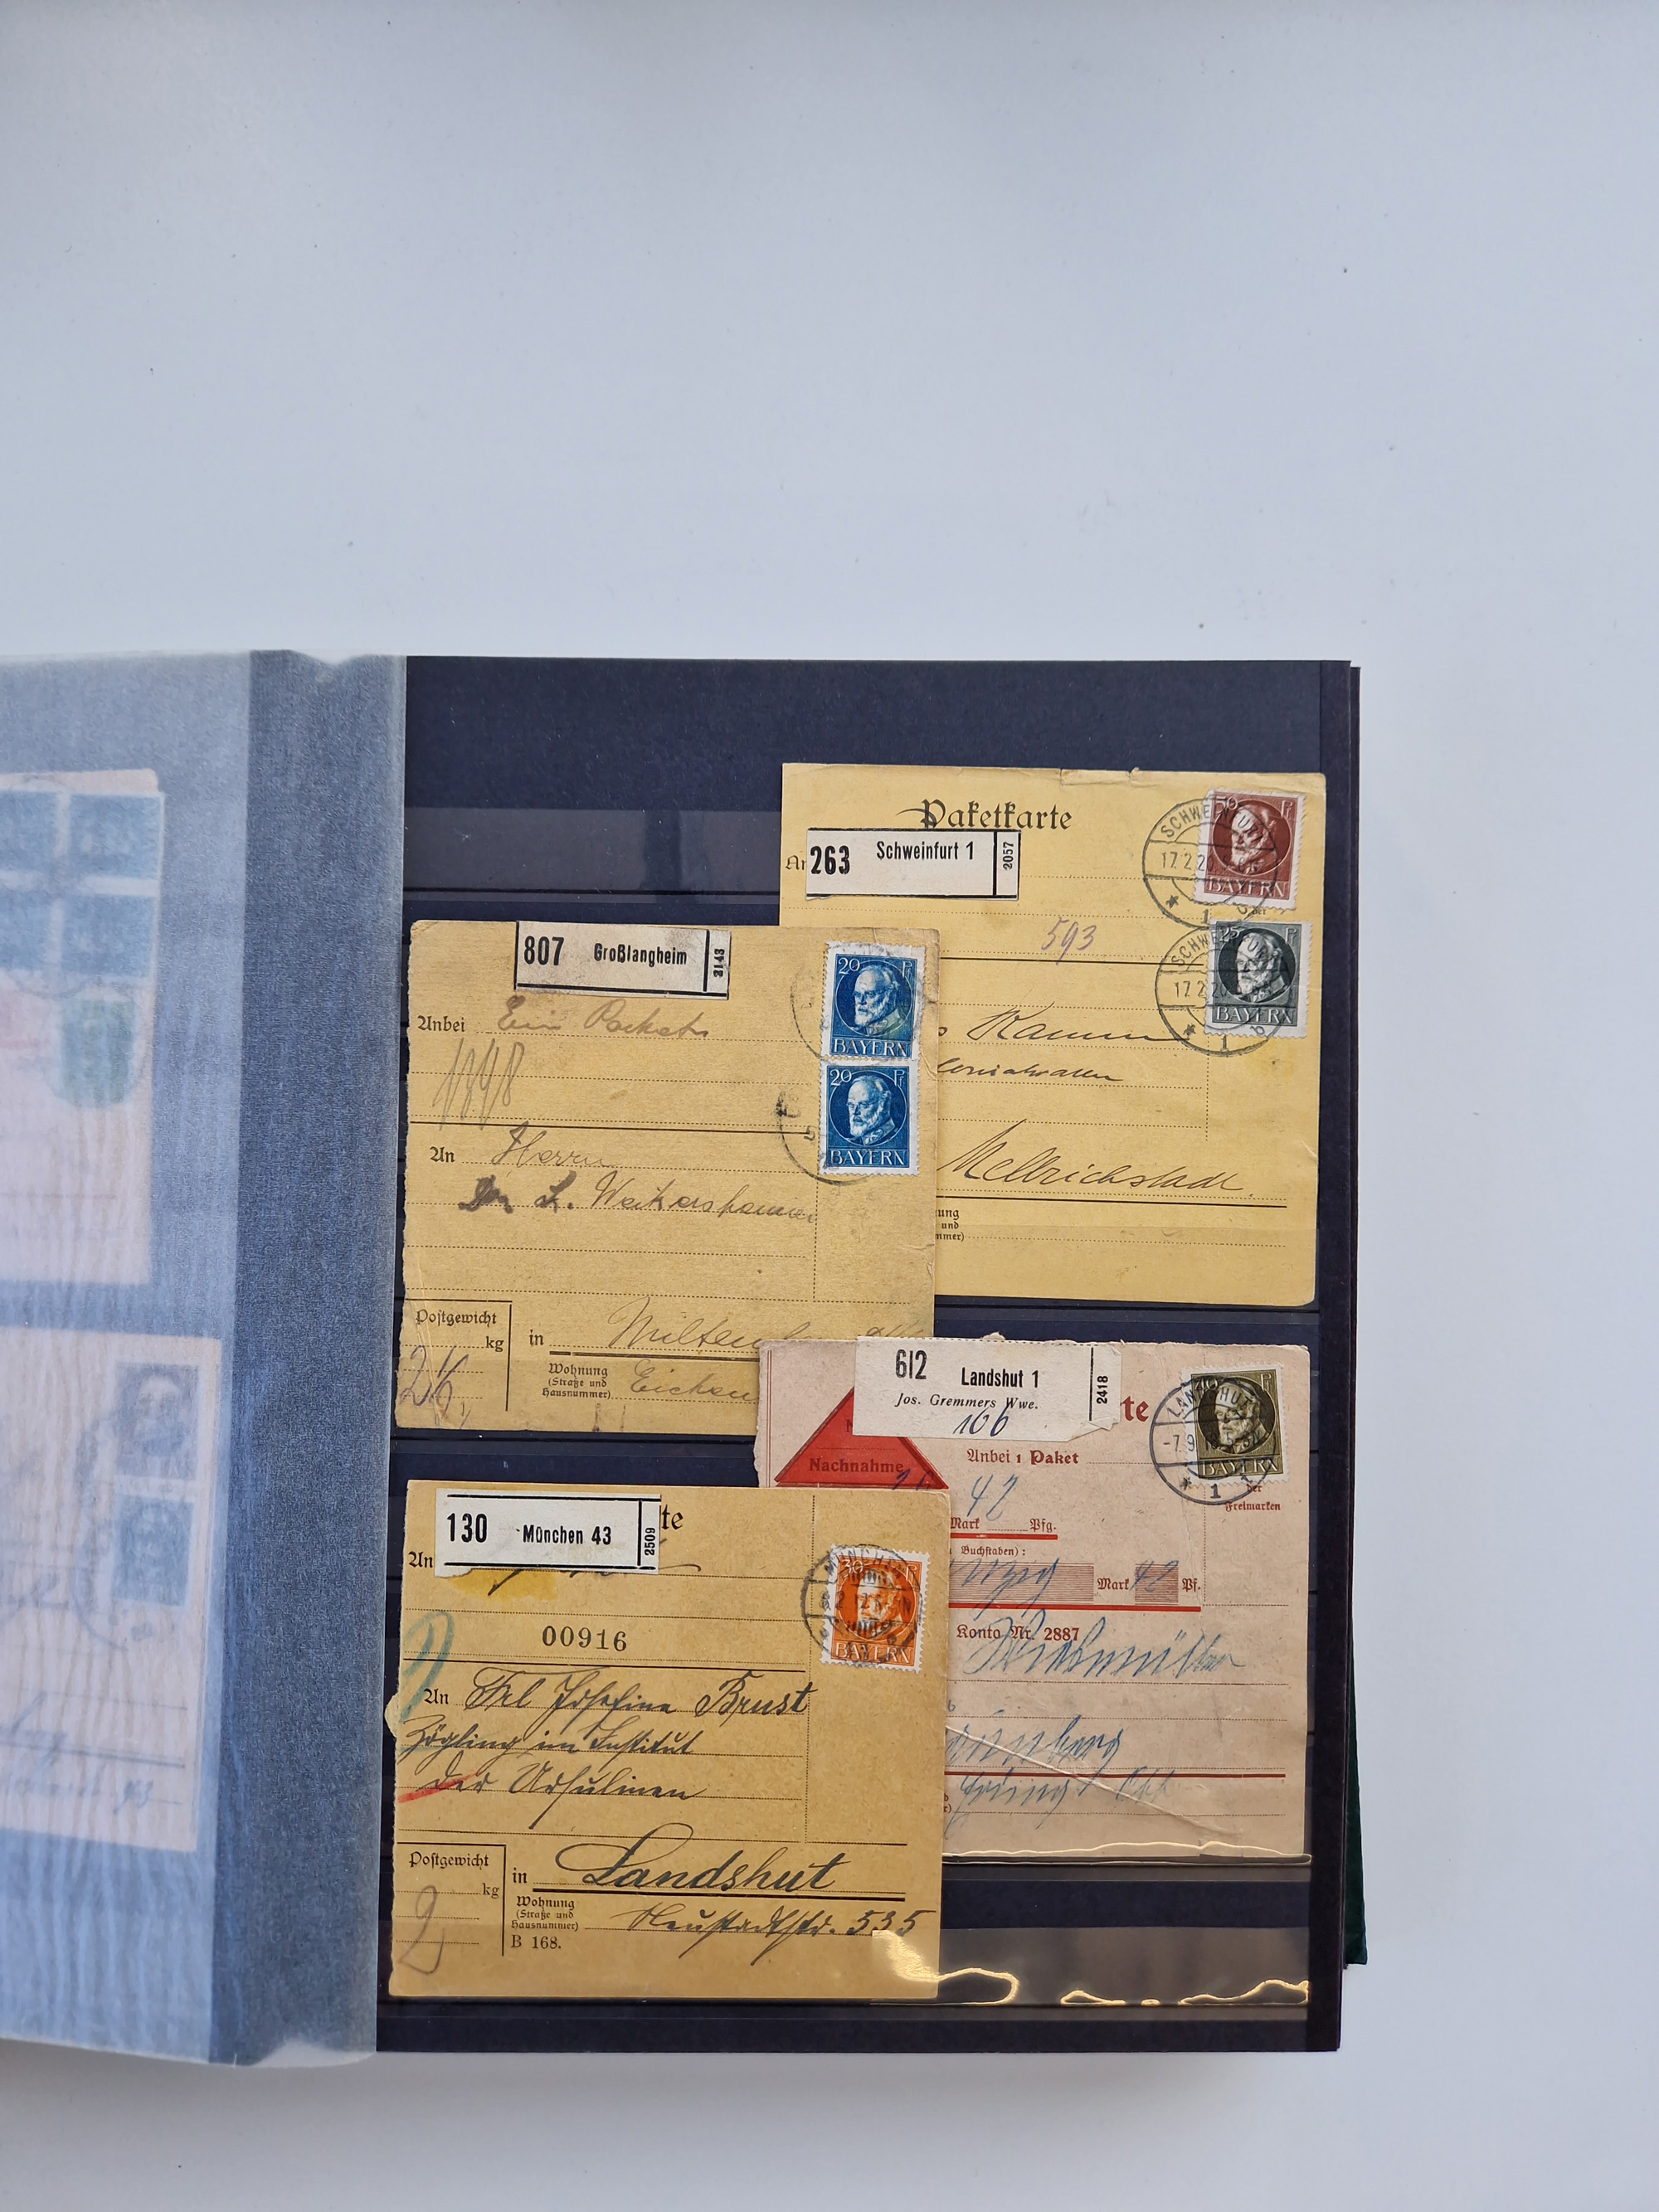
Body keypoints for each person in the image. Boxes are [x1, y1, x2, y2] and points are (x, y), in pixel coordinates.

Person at [1227, 926, 1294, 1006]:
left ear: (1274, 962)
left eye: (1253, 961)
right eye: (1240, 962)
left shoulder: (1288, 997)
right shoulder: (1237, 1000)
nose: (1244, 969)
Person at [848, 961, 912, 1040]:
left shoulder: (906, 1031)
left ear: (890, 996)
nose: (861, 1001)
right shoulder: (855, 1031)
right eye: (857, 994)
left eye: (870, 994)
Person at [843, 1072, 904, 1147]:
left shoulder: (900, 1140)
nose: (855, 1112)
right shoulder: (852, 1142)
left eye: (864, 1105)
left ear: (884, 1105)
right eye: (851, 1105)